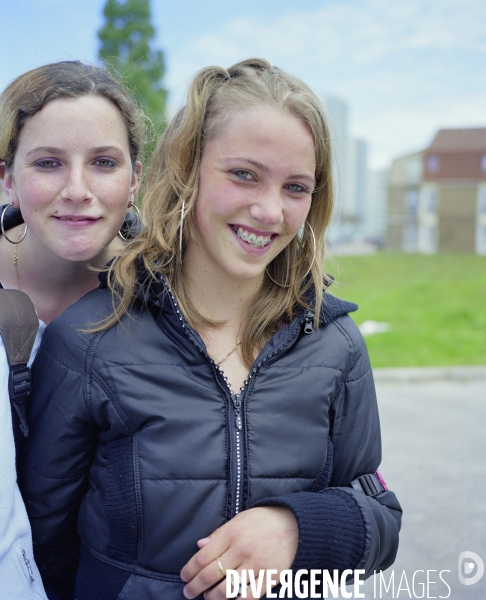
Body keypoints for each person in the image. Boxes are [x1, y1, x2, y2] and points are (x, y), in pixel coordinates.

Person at [20, 58, 402, 600]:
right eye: (243, 174)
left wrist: (298, 528)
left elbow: (380, 515)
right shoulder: (87, 341)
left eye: (296, 187)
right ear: (186, 169)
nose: (269, 210)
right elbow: (41, 548)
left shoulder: (335, 345)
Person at [0, 60, 143, 599]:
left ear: (134, 180)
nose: (77, 189)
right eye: (49, 163)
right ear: (8, 177)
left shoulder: (171, 304)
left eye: (103, 162)